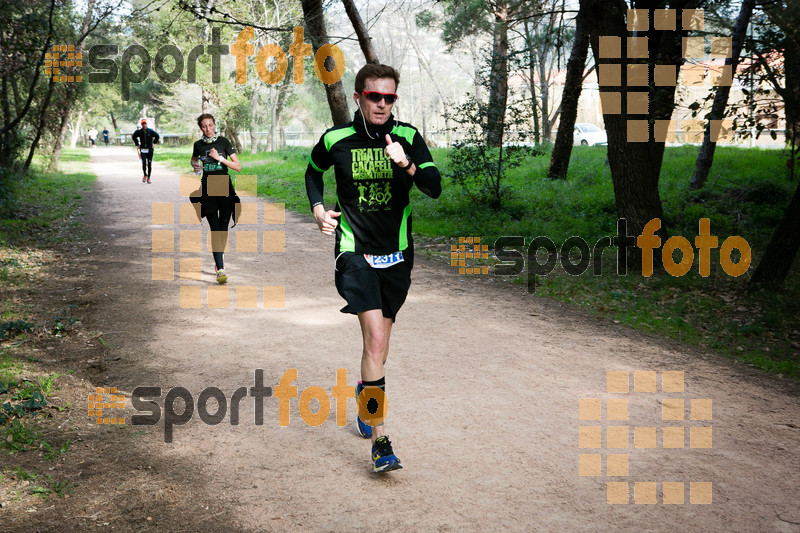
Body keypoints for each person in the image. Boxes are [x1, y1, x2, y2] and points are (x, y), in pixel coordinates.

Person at [304, 63, 442, 473]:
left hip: (397, 253)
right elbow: (313, 172)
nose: (382, 104)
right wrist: (317, 210)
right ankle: (381, 442)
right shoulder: (336, 139)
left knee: (379, 349)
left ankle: (366, 396)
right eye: (374, 96)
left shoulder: (409, 137)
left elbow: (433, 188)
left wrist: (406, 164)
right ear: (359, 97)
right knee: (376, 344)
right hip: (354, 251)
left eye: (389, 97)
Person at [190, 114, 242, 284]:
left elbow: (238, 167)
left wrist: (219, 158)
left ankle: (220, 255)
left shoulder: (224, 142)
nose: (208, 129)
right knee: (215, 230)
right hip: (208, 189)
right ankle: (220, 269)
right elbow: (194, 159)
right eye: (204, 126)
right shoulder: (198, 145)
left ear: (214, 125)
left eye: (210, 125)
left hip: (225, 188)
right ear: (201, 128)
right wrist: (195, 165)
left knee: (223, 228)